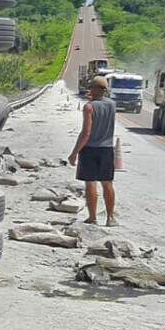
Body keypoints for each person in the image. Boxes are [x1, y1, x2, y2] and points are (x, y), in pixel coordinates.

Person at [68, 76, 117, 226]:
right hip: (107, 148)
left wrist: (75, 152)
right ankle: (110, 218)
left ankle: (93, 217)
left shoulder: (89, 107)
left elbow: (86, 132)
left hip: (90, 149)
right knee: (107, 183)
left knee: (90, 184)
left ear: (95, 89)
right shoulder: (112, 105)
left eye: (91, 87)